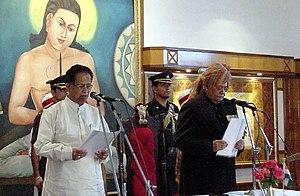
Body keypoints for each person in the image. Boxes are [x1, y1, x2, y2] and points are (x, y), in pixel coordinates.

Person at [8, 0, 103, 126]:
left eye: (71, 29)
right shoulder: (28, 60)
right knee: (12, 147)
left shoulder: (85, 59)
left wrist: (74, 119)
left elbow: (99, 108)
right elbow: (14, 112)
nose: (64, 34)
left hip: (79, 131)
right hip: (43, 131)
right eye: (60, 24)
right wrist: (48, 116)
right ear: (49, 20)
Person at [35, 64, 109, 195]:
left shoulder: (95, 114)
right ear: (68, 87)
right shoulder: (52, 113)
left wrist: (104, 155)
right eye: (80, 86)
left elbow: (106, 146)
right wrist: (68, 152)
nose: (85, 91)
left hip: (91, 185)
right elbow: (41, 147)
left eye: (88, 86)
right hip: (62, 186)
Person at [174, 63, 244, 195]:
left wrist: (240, 145)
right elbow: (181, 140)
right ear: (207, 86)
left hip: (226, 177)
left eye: (225, 88)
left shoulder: (229, 106)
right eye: (219, 88)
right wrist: (210, 146)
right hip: (200, 178)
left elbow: (235, 134)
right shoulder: (193, 106)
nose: (222, 92)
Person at [31, 75, 67, 195]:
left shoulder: (79, 111)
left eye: (68, 89)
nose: (66, 93)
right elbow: (35, 146)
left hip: (70, 167)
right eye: (62, 90)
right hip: (48, 165)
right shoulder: (45, 115)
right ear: (53, 92)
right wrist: (37, 175)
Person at [147, 72, 179, 196]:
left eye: (169, 85)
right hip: (159, 156)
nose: (168, 88)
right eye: (163, 85)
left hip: (174, 156)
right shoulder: (149, 110)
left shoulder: (174, 108)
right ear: (154, 88)